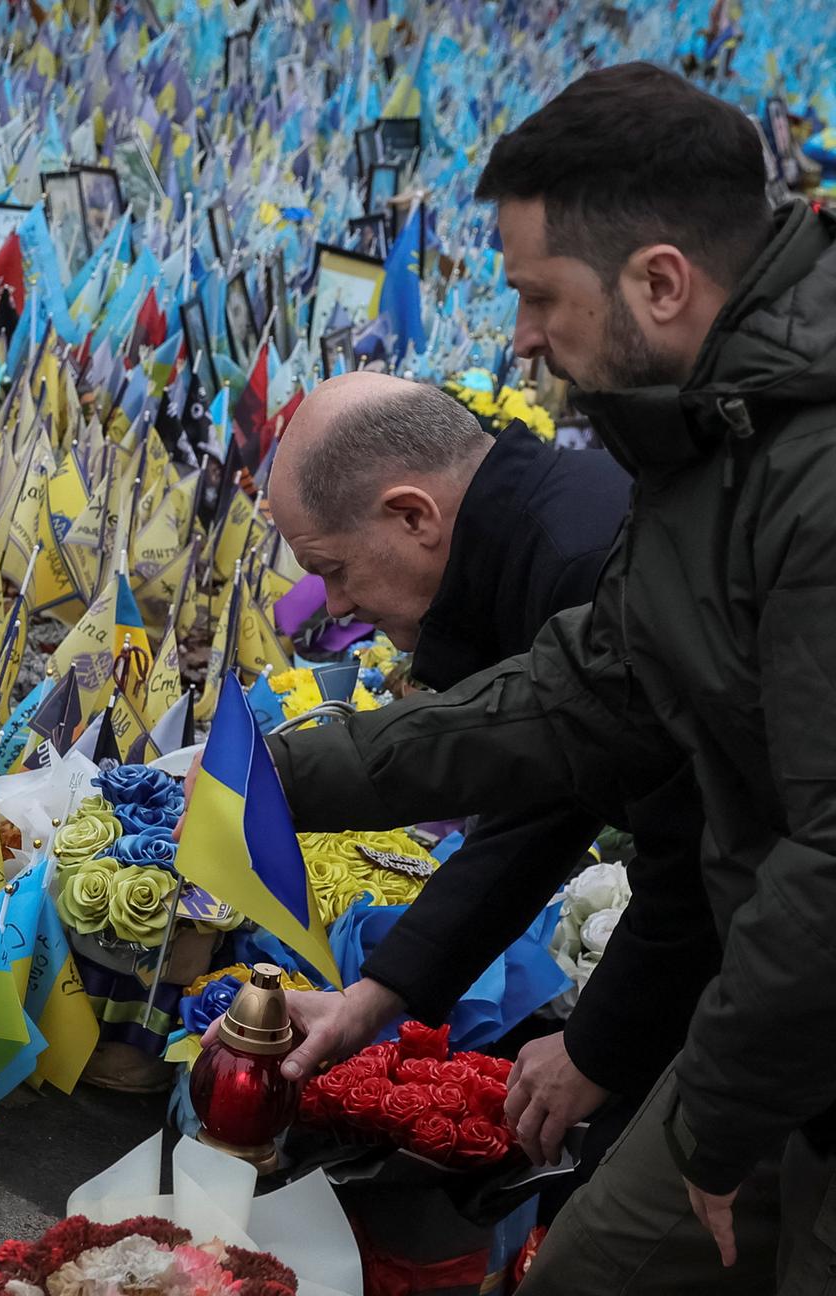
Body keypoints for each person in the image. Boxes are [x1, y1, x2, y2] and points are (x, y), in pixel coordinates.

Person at [247, 62, 835, 1293]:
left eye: (538, 294)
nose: (520, 337)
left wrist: (707, 1114)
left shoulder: (804, 481)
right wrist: (280, 777)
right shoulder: (712, 435)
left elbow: (811, 856)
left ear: (660, 282)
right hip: (780, 1038)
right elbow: (578, 700)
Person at [253, 369, 724, 1184]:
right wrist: (377, 996)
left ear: (414, 515)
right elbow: (546, 799)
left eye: (332, 568)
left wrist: (595, 1048)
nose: (332, 606)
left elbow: (697, 849)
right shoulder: (539, 537)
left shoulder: (581, 562)